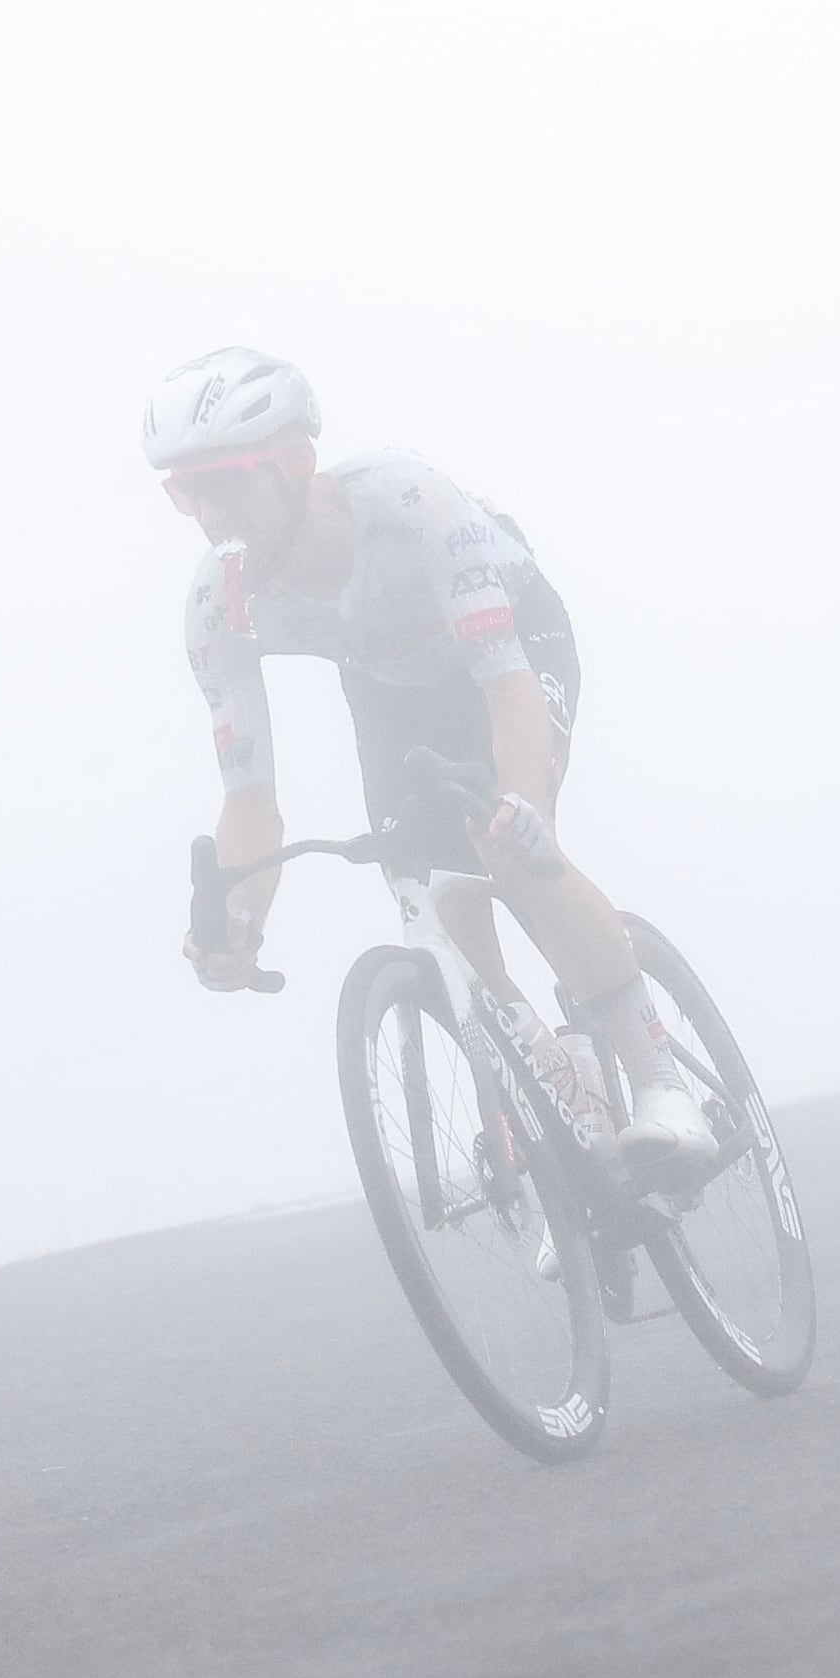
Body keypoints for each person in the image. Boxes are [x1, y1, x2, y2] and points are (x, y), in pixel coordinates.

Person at [156, 348, 720, 1184]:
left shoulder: (407, 502)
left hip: (510, 647)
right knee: (429, 892)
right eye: (185, 491)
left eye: (224, 482)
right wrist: (236, 926)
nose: (207, 514)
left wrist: (525, 808)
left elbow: (506, 683)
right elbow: (249, 801)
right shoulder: (217, 605)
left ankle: (661, 1081)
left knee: (508, 843)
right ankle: (568, 1103)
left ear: (294, 461)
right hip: (391, 689)